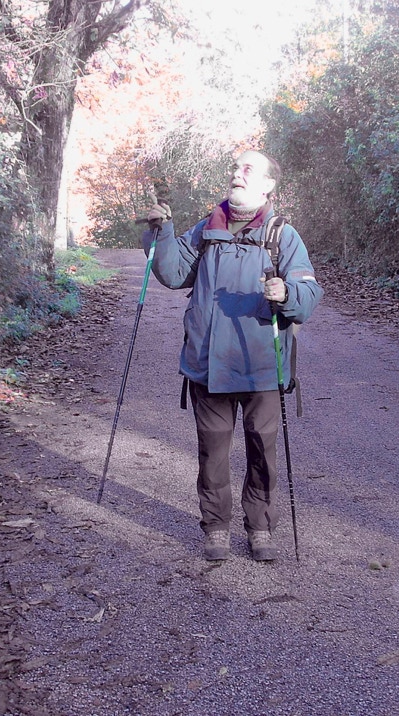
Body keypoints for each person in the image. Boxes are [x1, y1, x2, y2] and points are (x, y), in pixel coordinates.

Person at [141, 150, 323, 561]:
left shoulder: (282, 235)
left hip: (263, 367)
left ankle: (260, 527)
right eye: (235, 167)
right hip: (208, 365)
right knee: (213, 452)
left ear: (267, 185)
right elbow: (172, 273)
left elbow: (308, 294)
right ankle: (216, 527)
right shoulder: (207, 228)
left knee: (262, 452)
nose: (236, 173)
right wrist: (160, 232)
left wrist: (287, 293)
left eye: (247, 169)